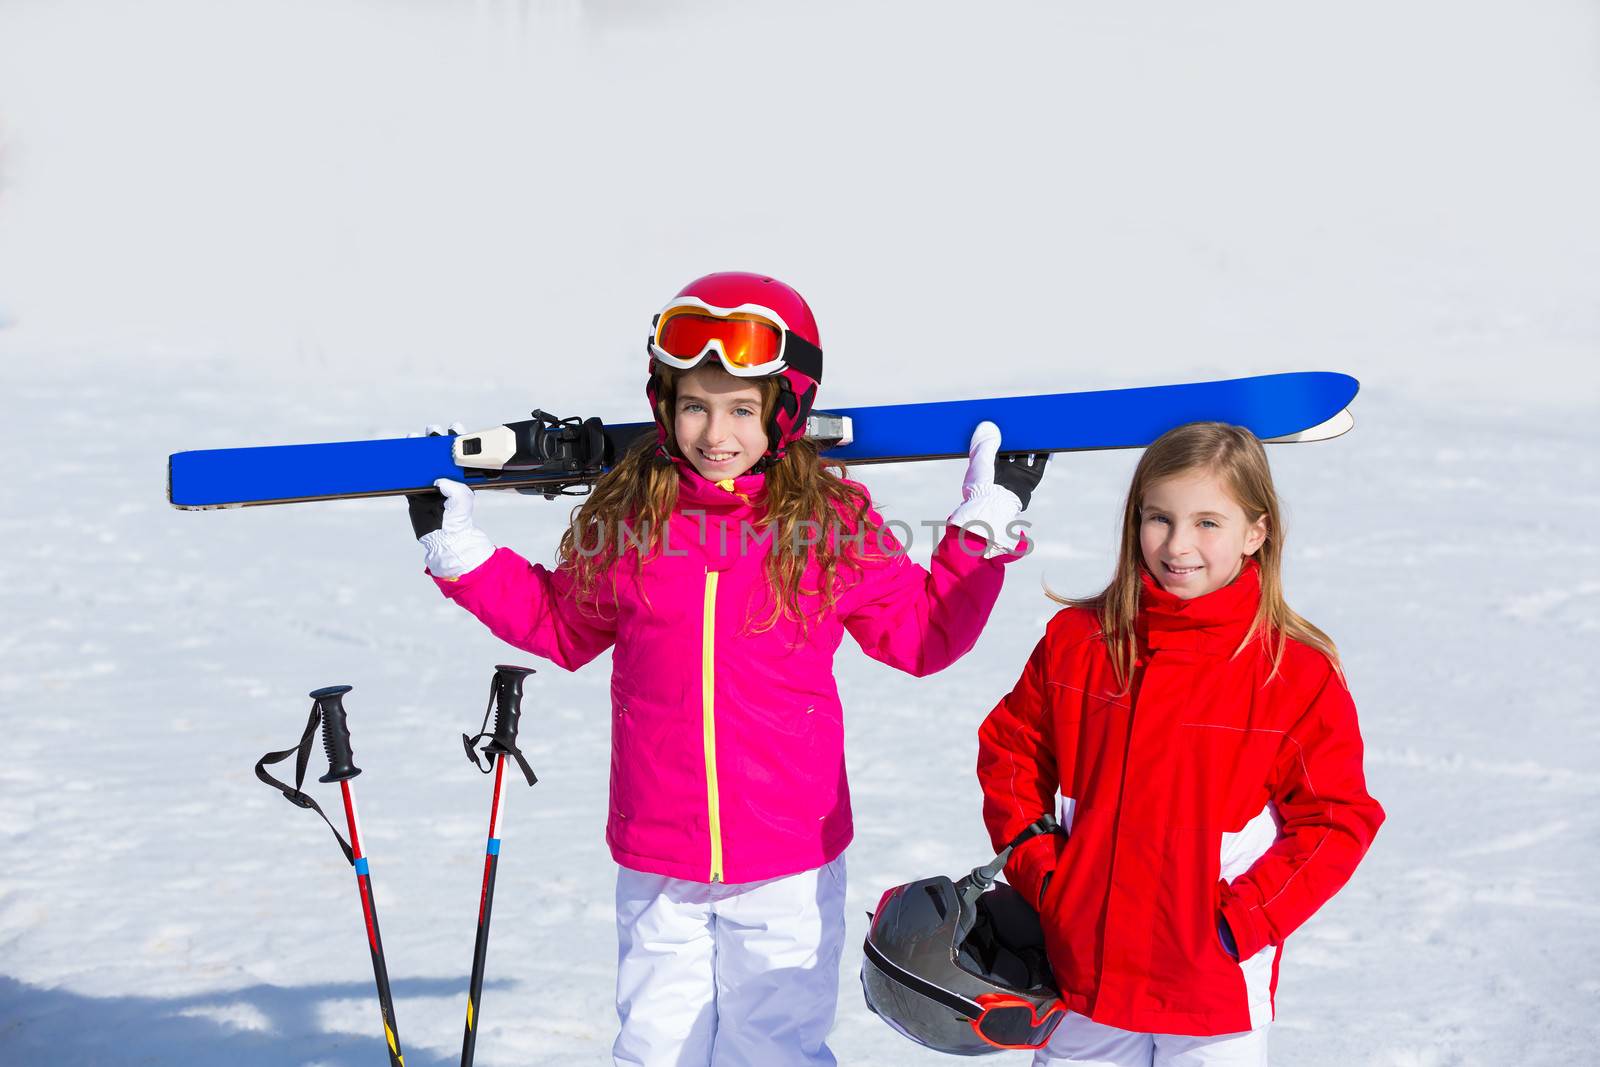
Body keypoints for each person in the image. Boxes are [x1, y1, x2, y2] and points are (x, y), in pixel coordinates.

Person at [409, 271, 1048, 1067]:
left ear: (784, 411)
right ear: (664, 406)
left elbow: (921, 637)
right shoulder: (634, 522)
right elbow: (562, 624)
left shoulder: (827, 525)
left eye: (742, 408)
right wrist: (464, 556)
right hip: (660, 855)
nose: (716, 431)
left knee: (773, 1047)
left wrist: (980, 530)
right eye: (695, 405)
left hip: (788, 855)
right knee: (655, 1045)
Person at [976, 421, 1384, 1066]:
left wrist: (1244, 921)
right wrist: (1041, 869)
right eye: (1158, 518)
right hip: (1084, 971)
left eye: (1208, 523)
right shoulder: (1081, 641)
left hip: (1210, 984)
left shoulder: (1291, 670)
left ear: (1258, 530)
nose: (1177, 544)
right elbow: (1012, 750)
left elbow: (1336, 819)